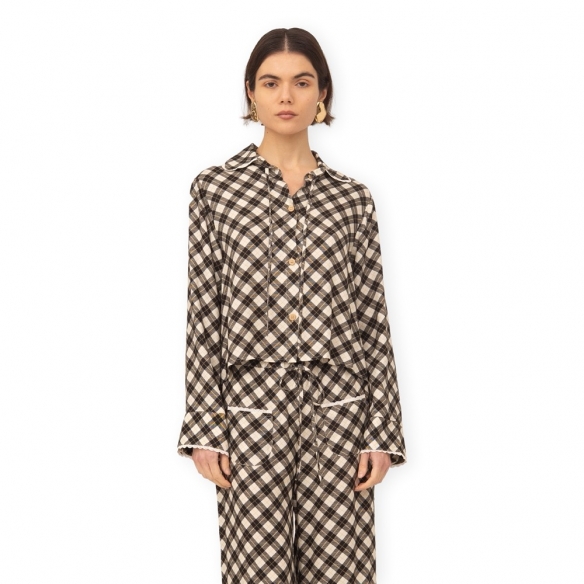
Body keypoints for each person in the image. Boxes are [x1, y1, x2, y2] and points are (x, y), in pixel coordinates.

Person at [177, 27, 407, 584]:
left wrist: (381, 429)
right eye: (271, 83)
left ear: (322, 92)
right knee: (255, 573)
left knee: (344, 572)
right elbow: (203, 313)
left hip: (340, 413)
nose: (286, 96)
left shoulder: (351, 199)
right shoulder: (215, 190)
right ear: (251, 93)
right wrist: (204, 424)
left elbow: (372, 319)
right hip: (248, 414)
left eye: (302, 83)